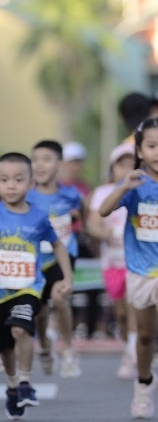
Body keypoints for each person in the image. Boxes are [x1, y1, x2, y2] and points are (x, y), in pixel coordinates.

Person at [0, 153, 72, 421]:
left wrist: (67, 277)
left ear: (30, 183)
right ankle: (13, 385)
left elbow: (58, 244)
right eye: (4, 180)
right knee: (5, 343)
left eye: (18, 179)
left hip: (28, 289)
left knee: (20, 329)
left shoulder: (39, 217)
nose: (11, 185)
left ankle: (26, 381)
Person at [96, 118, 158, 418]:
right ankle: (144, 382)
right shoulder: (135, 184)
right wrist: (124, 187)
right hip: (141, 271)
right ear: (140, 150)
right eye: (152, 146)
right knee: (145, 335)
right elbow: (104, 210)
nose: (157, 152)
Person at [27, 140, 83, 378]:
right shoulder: (26, 196)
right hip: (36, 260)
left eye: (46, 159)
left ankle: (68, 351)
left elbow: (83, 218)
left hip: (63, 256)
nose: (40, 165)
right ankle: (45, 348)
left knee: (60, 298)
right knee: (39, 312)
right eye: (35, 159)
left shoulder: (71, 195)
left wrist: (84, 225)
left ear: (59, 164)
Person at [87, 144, 136, 381]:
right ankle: (130, 345)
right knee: (122, 313)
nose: (127, 169)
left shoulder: (143, 189)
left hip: (138, 261)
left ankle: (133, 354)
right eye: (121, 164)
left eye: (131, 164)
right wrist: (104, 233)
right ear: (113, 168)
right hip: (112, 262)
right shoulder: (103, 193)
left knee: (133, 306)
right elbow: (93, 224)